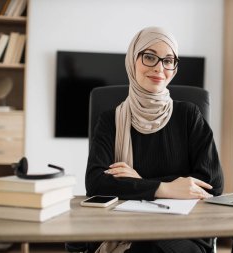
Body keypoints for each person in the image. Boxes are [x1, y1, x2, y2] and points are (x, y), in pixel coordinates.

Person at [85, 26, 224, 253]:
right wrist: (167, 188)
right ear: (132, 60)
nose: (160, 68)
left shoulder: (189, 115)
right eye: (149, 57)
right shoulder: (110, 121)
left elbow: (212, 183)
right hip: (125, 228)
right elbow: (96, 183)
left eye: (168, 60)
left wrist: (140, 181)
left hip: (185, 230)